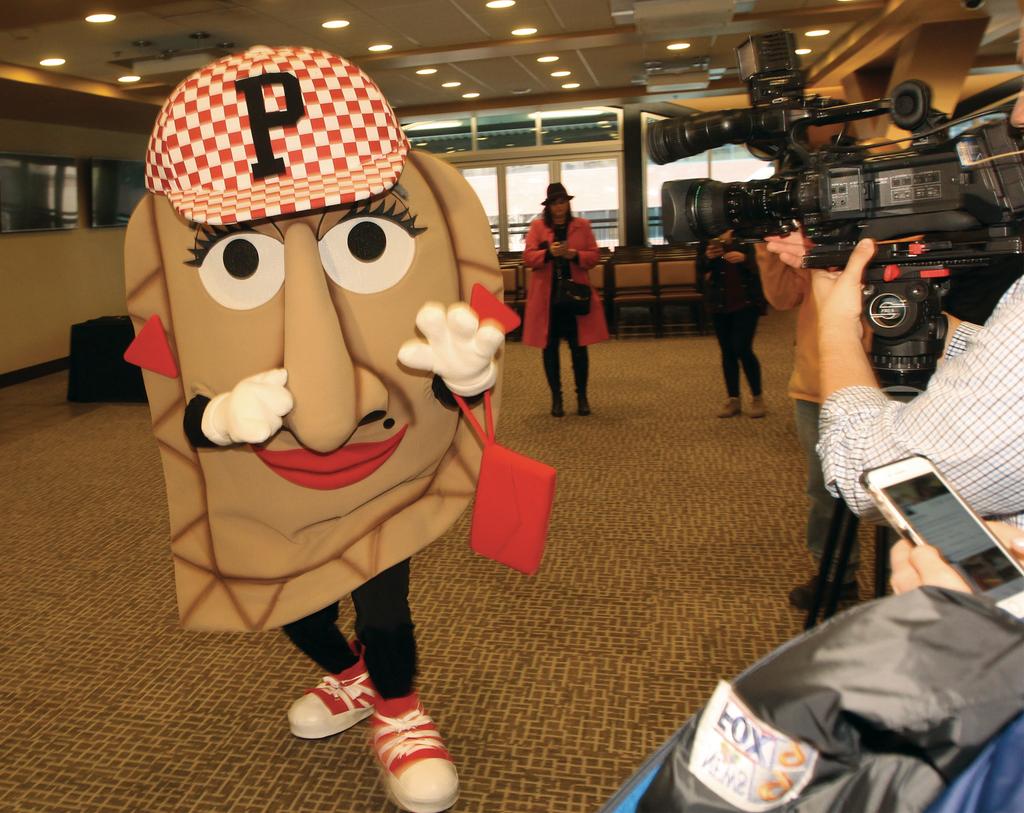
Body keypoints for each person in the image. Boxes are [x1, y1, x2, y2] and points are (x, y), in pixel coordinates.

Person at [125, 45, 508, 813]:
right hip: (276, 486)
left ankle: (400, 711)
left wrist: (462, 375)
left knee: (382, 603)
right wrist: (221, 415)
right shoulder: (169, 278)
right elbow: (180, 400)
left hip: (380, 468)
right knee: (288, 598)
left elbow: (433, 363)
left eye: (365, 238)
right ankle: (355, 674)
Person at [756, 243, 866, 608]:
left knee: (908, 492)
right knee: (825, 489)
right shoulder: (810, 240)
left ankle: (917, 586)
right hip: (818, 382)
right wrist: (769, 250)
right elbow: (784, 297)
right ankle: (836, 574)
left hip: (892, 375)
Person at [522, 182, 609, 417]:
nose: (559, 207)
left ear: (568, 203)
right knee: (549, 350)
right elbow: (529, 258)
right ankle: (556, 398)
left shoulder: (582, 226)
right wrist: (549, 253)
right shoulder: (538, 227)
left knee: (579, 349)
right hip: (547, 300)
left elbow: (594, 256)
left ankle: (582, 396)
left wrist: (574, 255)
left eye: (563, 202)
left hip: (575, 296)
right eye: (555, 203)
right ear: (548, 206)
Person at [700, 230, 766, 419]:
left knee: (743, 348)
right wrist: (708, 258)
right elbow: (700, 270)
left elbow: (764, 266)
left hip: (746, 303)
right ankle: (733, 398)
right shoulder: (708, 240)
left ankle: (757, 397)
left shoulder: (747, 236)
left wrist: (745, 258)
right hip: (719, 304)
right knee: (727, 351)